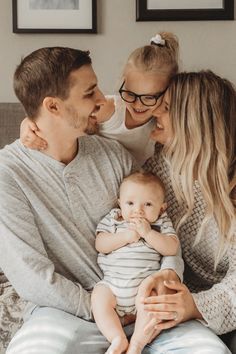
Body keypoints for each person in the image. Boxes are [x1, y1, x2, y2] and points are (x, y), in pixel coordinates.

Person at [0, 46, 184, 354]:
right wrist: (103, 308)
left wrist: (168, 278)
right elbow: (32, 276)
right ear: (53, 106)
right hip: (64, 312)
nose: (103, 100)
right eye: (89, 93)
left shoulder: (114, 155)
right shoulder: (9, 174)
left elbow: (164, 228)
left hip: (147, 303)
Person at [140, 70, 236, 354]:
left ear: (194, 123)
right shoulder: (158, 171)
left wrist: (197, 306)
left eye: (166, 107)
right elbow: (110, 118)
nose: (153, 111)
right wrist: (37, 126)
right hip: (181, 296)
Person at [20, 32, 179, 165]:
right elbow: (61, 116)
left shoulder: (164, 122)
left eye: (149, 97)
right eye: (130, 94)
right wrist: (28, 123)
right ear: (124, 81)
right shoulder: (110, 109)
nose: (137, 104)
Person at [91, 171, 179, 354]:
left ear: (162, 208)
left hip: (144, 288)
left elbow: (171, 248)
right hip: (113, 284)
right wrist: (125, 237)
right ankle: (117, 338)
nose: (138, 210)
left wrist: (148, 234)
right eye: (130, 203)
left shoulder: (160, 222)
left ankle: (136, 345)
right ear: (120, 203)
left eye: (147, 204)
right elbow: (100, 244)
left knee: (153, 302)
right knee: (98, 297)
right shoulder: (115, 218)